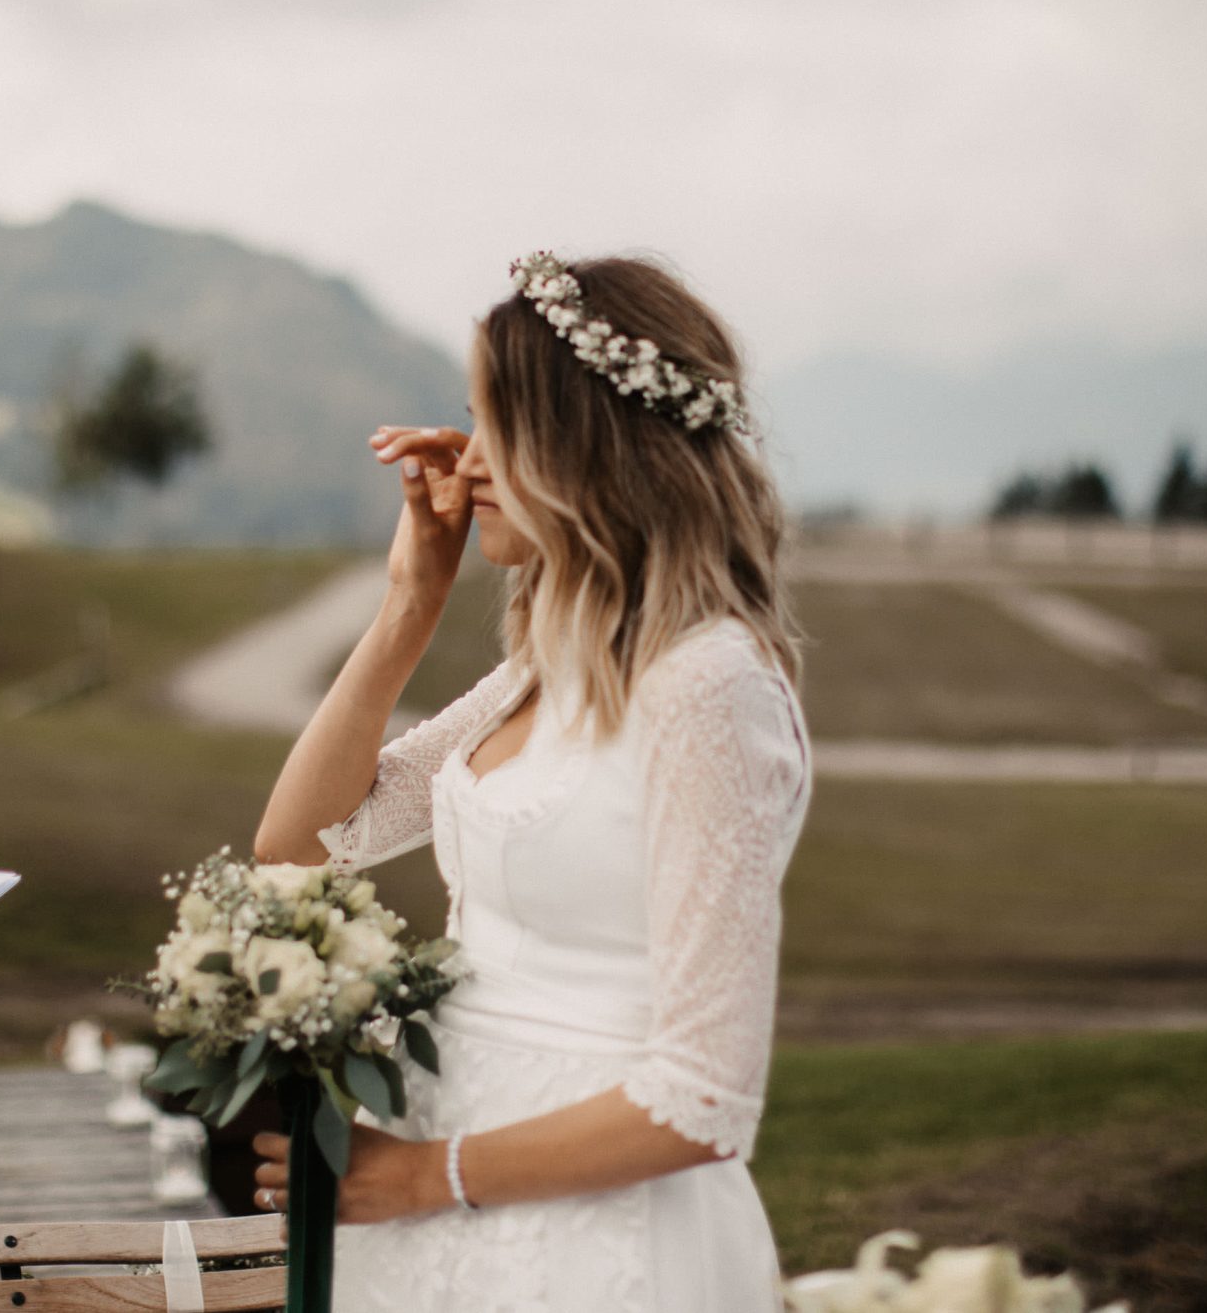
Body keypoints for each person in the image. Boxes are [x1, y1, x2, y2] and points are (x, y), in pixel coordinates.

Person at [250, 252, 811, 1311]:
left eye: (496, 423)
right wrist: (408, 603)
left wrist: (424, 1177)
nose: (463, 461)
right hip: (434, 1193)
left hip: (588, 1229)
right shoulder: (544, 667)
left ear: (582, 448)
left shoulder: (704, 687)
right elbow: (305, 842)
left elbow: (705, 1097)